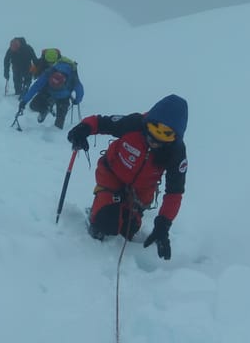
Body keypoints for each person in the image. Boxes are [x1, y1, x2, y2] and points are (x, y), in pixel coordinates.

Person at [65, 94, 188, 260]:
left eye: (163, 137)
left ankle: (122, 210)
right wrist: (83, 129)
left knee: (128, 231)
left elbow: (175, 193)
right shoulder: (134, 123)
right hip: (112, 174)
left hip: (141, 191)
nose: (155, 140)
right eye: (153, 132)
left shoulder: (177, 153)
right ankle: (98, 209)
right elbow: (101, 122)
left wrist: (163, 225)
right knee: (106, 223)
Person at [18, 59, 83, 129]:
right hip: (49, 92)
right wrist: (24, 101)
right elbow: (35, 87)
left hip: (63, 98)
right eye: (53, 85)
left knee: (59, 121)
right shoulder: (48, 73)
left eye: (57, 87)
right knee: (33, 105)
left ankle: (55, 134)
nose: (55, 87)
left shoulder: (73, 77)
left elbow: (80, 90)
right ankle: (45, 109)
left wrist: (77, 100)